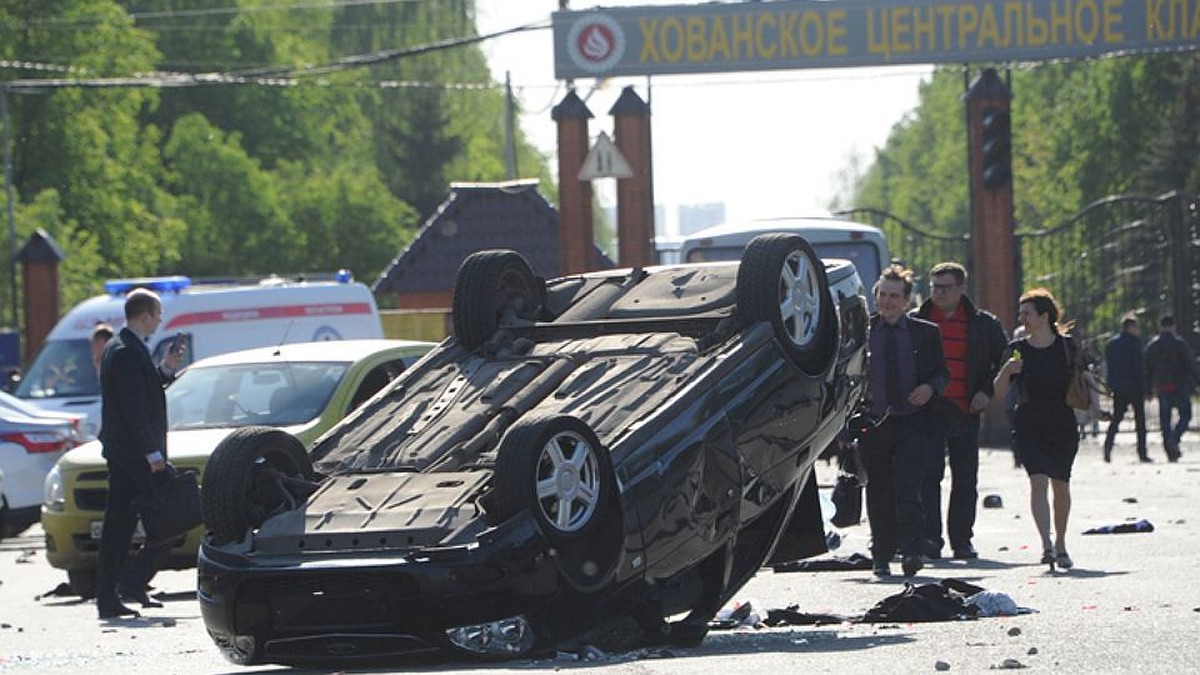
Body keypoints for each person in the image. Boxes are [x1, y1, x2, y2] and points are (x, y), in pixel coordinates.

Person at [95, 289, 185, 619]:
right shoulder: (124, 352)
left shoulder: (127, 348)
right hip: (133, 457)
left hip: (128, 455)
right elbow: (133, 409)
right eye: (158, 314)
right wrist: (152, 453)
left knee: (121, 524)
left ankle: (116, 591)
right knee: (170, 516)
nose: (160, 320)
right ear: (145, 315)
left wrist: (166, 369)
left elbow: (142, 392)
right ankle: (128, 584)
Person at [910, 262, 1006, 561]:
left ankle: (962, 541)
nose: (939, 293)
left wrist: (986, 391)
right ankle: (931, 540)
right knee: (929, 476)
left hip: (967, 409)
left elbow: (1004, 358)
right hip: (929, 410)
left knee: (965, 478)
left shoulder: (983, 324)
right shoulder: (917, 320)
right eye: (935, 287)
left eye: (946, 288)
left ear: (961, 289)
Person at [861, 264, 949, 578]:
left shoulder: (925, 333)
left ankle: (912, 551)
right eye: (883, 295)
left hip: (914, 421)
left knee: (911, 488)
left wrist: (929, 387)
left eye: (894, 296)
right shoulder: (862, 332)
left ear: (906, 300)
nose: (887, 301)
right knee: (879, 489)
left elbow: (942, 374)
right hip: (875, 421)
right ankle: (881, 554)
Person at [993, 288, 1086, 571]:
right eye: (1020, 314)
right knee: (1038, 481)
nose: (1022, 319)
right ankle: (1046, 545)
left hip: (1062, 424)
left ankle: (1061, 544)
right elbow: (998, 394)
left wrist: (1096, 408)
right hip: (1029, 424)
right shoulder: (1016, 349)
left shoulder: (1067, 346)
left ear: (1045, 316)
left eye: (1027, 313)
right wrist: (1007, 371)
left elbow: (1085, 380)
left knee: (1061, 484)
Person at [1144, 315, 1200, 462]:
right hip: (1180, 385)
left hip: (1162, 386)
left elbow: (1147, 369)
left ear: (1160, 327)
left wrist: (1148, 389)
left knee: (1165, 420)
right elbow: (1191, 364)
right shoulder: (1179, 343)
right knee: (1186, 415)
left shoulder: (1152, 345)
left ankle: (1170, 449)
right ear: (1173, 326)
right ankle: (1174, 439)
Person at [1103, 314, 1149, 463]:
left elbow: (1109, 367)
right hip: (1134, 387)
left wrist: (1110, 385)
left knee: (1116, 419)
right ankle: (1142, 452)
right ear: (1131, 327)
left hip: (1119, 387)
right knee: (1140, 422)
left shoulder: (1112, 344)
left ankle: (1107, 449)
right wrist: (1144, 387)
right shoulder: (1135, 343)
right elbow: (1138, 367)